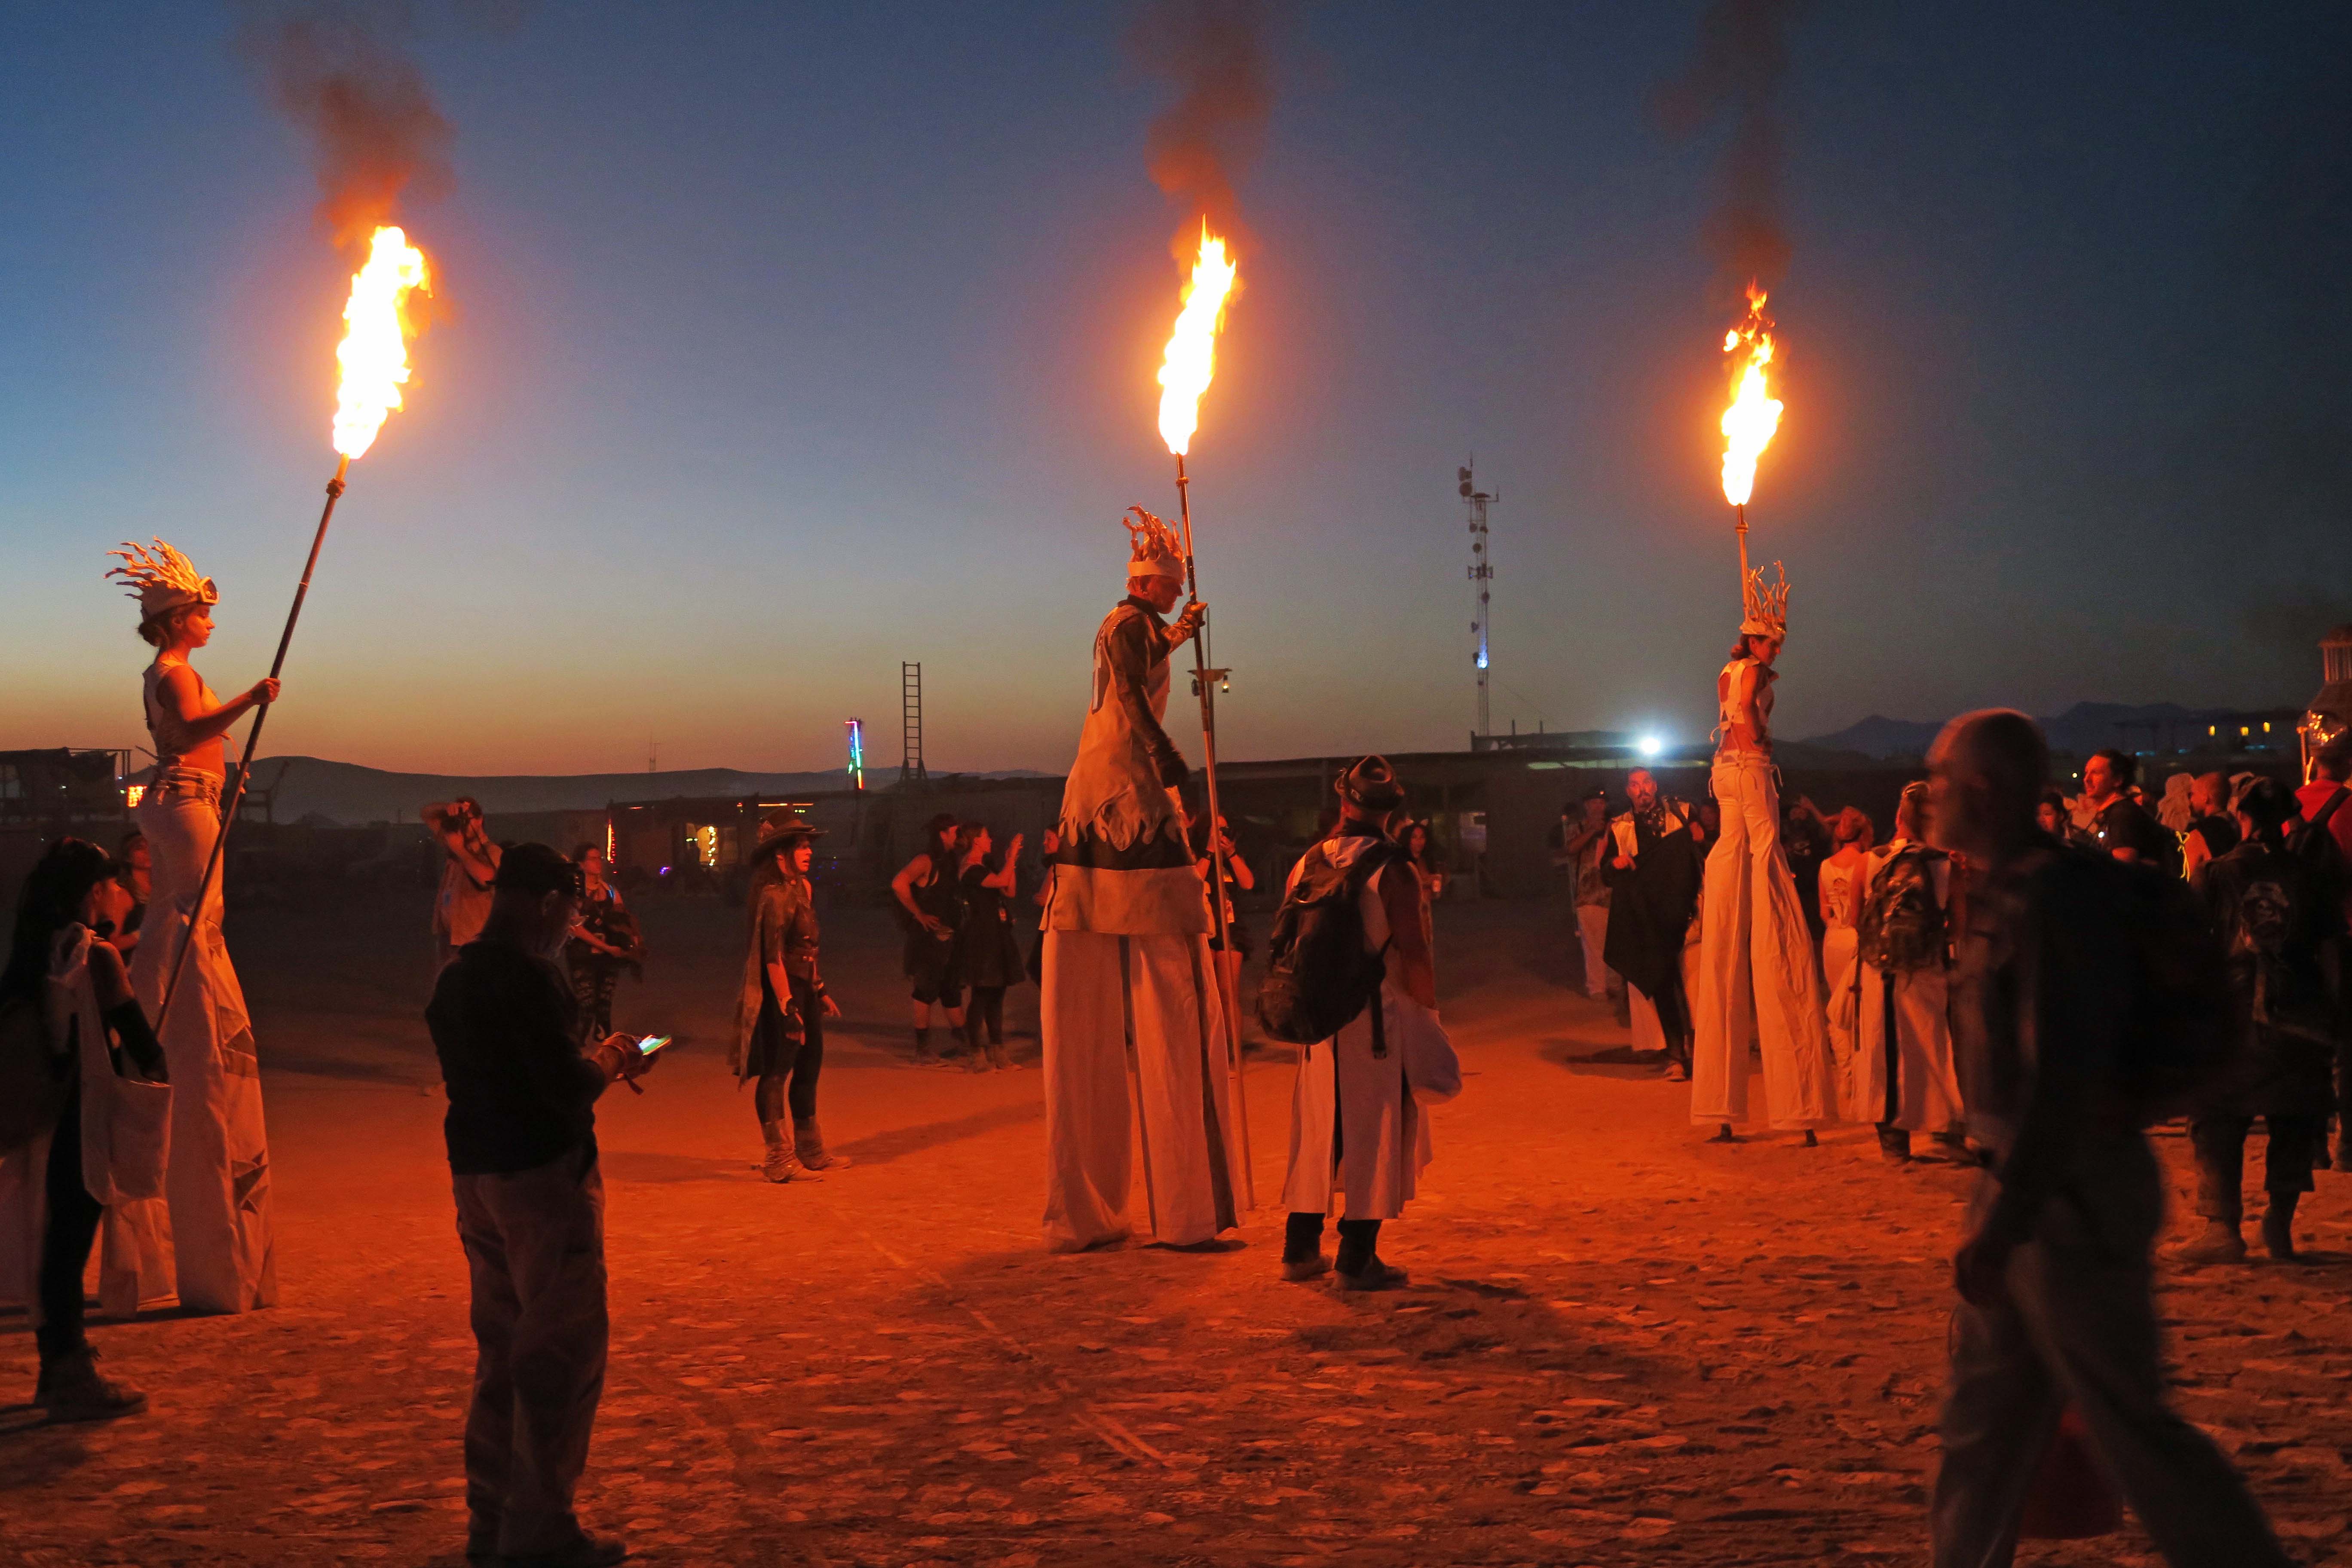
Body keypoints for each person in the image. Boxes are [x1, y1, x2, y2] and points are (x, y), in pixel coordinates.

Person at [1924, 710, 2293, 1568]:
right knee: (1983, 1430)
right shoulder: (2022, 886)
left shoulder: (2053, 899)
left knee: (2131, 1431)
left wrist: (2006, 1220)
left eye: (1942, 779)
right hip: (2029, 1185)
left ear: (1981, 790)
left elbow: (2063, 1071)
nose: (1930, 794)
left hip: (2067, 1198)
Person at [427, 843, 657, 1568]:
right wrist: (616, 1059)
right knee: (559, 1356)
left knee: (499, 1354)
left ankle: (488, 1522)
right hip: (544, 1181)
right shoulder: (532, 978)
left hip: (477, 1180)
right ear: (548, 903)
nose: (569, 925)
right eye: (569, 910)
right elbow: (564, 1087)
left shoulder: (456, 978)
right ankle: (542, 1529)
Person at [1037, 506, 1241, 1251]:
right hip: (1126, 789)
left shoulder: (1133, 621)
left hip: (1102, 791)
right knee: (1168, 973)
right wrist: (1163, 752)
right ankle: (1184, 1203)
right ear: (1152, 583)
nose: (1169, 595)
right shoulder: (1125, 625)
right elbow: (1130, 691)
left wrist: (1183, 632)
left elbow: (1147, 650)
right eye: (1169, 587)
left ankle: (1109, 1207)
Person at [104, 537, 279, 1315]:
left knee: (198, 912)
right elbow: (188, 728)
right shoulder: (174, 674)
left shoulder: (174, 669)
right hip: (183, 800)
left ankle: (175, 995)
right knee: (193, 912)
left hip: (191, 799)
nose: (212, 620)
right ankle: (178, 1005)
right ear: (180, 618)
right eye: (204, 611)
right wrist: (251, 699)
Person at [0, 840, 171, 1421]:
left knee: (51, 1248)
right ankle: (69, 1376)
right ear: (92, 891)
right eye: (110, 885)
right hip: (80, 1118)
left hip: (42, 1119)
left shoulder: (35, 953)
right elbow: (146, 1048)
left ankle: (59, 1368)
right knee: (68, 1248)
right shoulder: (96, 956)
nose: (119, 894)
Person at [1690, 564, 1838, 1143]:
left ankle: (1721, 1105)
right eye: (1770, 638)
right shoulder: (1748, 672)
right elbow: (1746, 706)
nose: (1776, 646)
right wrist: (1757, 737)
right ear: (1754, 639)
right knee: (1774, 907)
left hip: (1724, 777)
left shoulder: (1728, 670)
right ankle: (1798, 1105)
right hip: (1748, 774)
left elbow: (1734, 705)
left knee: (1729, 907)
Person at [1277, 758, 1436, 1291]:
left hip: (1317, 1019)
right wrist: (1429, 1021)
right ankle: (1357, 1258)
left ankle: (1299, 1250)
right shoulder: (1392, 869)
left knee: (1318, 1132)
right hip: (1372, 1018)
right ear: (1392, 812)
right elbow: (1415, 953)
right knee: (1376, 1131)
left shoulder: (1306, 862)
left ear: (1345, 803)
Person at [2176, 778, 2345, 1263]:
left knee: (2215, 1116)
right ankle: (2281, 1222)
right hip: (2302, 1015)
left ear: (2241, 816)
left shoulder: (2218, 873)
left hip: (2236, 1015)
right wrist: (2332, 1015)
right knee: (2294, 1118)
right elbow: (2331, 951)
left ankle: (2222, 1228)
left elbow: (2191, 943)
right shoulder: (2309, 875)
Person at [1846, 783, 1966, 1163]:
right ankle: (1944, 1132)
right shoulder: (1946, 865)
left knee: (1884, 1051)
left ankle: (1894, 1143)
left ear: (1898, 818)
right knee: (1933, 1048)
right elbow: (1958, 927)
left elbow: (1854, 920)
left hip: (1878, 971)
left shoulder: (1869, 861)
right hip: (1926, 968)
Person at [731, 810, 844, 1180]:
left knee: (810, 1065)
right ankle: (779, 1157)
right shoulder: (773, 896)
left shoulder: (804, 889)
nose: (809, 851)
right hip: (781, 993)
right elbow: (773, 956)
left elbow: (808, 948)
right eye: (801, 846)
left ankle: (811, 1151)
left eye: (810, 845)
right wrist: (787, 1005)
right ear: (781, 855)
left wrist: (820, 989)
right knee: (777, 1070)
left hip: (804, 988)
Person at [1603, 768, 1705, 1081]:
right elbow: (1606, 874)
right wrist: (1616, 863)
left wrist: (1697, 836)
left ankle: (1704, 1054)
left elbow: (1705, 846)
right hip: (1648, 919)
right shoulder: (1619, 827)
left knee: (1696, 988)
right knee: (1662, 985)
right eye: (1635, 785)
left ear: (1655, 786)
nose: (1642, 789)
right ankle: (1676, 1056)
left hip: (1688, 915)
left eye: (1646, 783)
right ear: (1628, 791)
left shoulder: (1682, 812)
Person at [2298, 738, 2352, 1170]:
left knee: (2306, 1040)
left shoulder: (2290, 805)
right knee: (2345, 1041)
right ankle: (2346, 1143)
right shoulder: (2349, 807)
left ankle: (2310, 1144)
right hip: (2343, 932)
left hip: (2297, 938)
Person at [890, 812, 965, 1063]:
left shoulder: (951, 861)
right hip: (928, 941)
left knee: (951, 989)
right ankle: (922, 1050)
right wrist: (919, 914)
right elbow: (899, 883)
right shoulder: (926, 860)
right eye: (955, 831)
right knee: (925, 990)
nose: (959, 835)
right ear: (942, 834)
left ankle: (964, 1043)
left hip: (949, 939)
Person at [951, 823, 1026, 1072]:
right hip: (980, 939)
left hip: (996, 935)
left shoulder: (986, 866)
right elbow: (1003, 881)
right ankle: (976, 1052)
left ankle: (998, 1050)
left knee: (997, 993)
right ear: (976, 842)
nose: (991, 839)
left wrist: (1009, 862)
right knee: (982, 995)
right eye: (986, 836)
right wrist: (1012, 855)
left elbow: (1010, 890)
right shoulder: (970, 870)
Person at [1817, 806, 1874, 1086]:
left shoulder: (1826, 866)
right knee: (1861, 1006)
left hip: (1834, 939)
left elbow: (1824, 912)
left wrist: (1834, 925)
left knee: (1836, 1009)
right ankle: (1864, 1074)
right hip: (1858, 937)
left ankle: (1846, 1075)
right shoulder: (1868, 862)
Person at [563, 845, 642, 1040]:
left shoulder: (610, 890)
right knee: (587, 1005)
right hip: (582, 953)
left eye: (600, 858)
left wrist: (632, 937)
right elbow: (575, 928)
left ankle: (604, 1045)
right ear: (581, 864)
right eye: (593, 859)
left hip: (609, 955)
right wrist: (606, 947)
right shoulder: (573, 893)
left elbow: (623, 918)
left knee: (605, 1006)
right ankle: (579, 1048)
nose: (598, 863)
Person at [428, 798, 503, 973]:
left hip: (472, 939)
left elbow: (487, 879)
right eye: (458, 821)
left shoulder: (492, 851)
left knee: (473, 989)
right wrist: (448, 808)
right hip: (449, 935)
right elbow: (427, 814)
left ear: (479, 820)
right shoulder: (455, 845)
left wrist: (460, 849)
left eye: (465, 820)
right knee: (449, 988)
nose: (461, 826)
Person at [1562, 790, 1620, 1004]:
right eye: (1594, 802)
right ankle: (1597, 988)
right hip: (1588, 894)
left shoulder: (1616, 826)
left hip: (1614, 892)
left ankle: (1615, 984)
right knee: (1594, 945)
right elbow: (1569, 849)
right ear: (1586, 805)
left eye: (1601, 802)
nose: (1598, 806)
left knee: (1615, 942)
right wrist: (1590, 832)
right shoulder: (1576, 828)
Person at [2075, 749, 2173, 869]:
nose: (2087, 779)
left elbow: (2122, 868)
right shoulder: (2118, 811)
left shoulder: (2122, 814)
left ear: (2118, 781)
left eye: (2096, 773)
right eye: (2086, 773)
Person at [1782, 794, 1832, 942]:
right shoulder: (1783, 834)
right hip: (1793, 887)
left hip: (1814, 886)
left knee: (1815, 927)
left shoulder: (1814, 832)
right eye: (1794, 812)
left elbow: (1828, 829)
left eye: (1801, 812)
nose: (1797, 814)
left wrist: (1812, 808)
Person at [2176, 772, 2241, 884]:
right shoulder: (2239, 825)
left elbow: (2189, 879)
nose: (2191, 800)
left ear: (2206, 798)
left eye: (2193, 794)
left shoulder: (2199, 833)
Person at [114, 830, 151, 956]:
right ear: (127, 857)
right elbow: (112, 944)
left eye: (151, 845)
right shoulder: (124, 894)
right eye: (140, 847)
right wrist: (144, 933)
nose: (148, 851)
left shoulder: (163, 889)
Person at [1397, 819, 1444, 903]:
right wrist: (1426, 882)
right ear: (1408, 839)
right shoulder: (1401, 863)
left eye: (1422, 837)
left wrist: (1436, 887)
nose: (1419, 841)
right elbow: (1402, 888)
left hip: (1425, 911)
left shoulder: (1427, 861)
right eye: (1414, 837)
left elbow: (1436, 894)